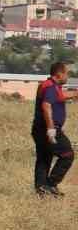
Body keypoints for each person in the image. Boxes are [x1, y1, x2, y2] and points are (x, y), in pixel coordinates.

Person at [32, 61, 78, 197]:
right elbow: (46, 105)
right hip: (48, 129)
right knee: (67, 155)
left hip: (39, 129)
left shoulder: (49, 85)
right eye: (66, 73)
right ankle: (50, 184)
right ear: (59, 74)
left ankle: (41, 189)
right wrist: (51, 128)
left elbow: (61, 97)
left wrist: (75, 94)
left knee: (44, 158)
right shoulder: (51, 87)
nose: (67, 76)